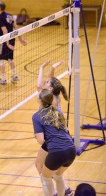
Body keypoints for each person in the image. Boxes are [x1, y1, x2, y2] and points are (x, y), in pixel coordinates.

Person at [36, 60, 73, 196]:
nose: (46, 82)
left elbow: (40, 85)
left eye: (47, 83)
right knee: (52, 170)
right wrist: (51, 68)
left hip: (53, 136)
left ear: (50, 89)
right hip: (63, 133)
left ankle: (53, 191)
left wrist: (41, 67)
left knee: (41, 168)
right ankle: (65, 190)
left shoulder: (49, 98)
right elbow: (49, 82)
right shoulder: (54, 96)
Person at [32, 89, 76, 196]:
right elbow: (66, 130)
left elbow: (41, 140)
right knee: (58, 176)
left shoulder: (37, 116)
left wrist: (37, 136)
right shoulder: (58, 112)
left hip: (57, 152)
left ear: (40, 101)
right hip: (71, 150)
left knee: (45, 178)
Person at [0, 0, 27, 85]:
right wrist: (21, 39)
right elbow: (16, 28)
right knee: (10, 59)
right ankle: (15, 76)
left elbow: (5, 31)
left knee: (1, 59)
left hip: (5, 41)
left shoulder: (0, 18)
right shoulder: (9, 15)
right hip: (12, 39)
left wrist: (7, 43)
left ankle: (3, 79)